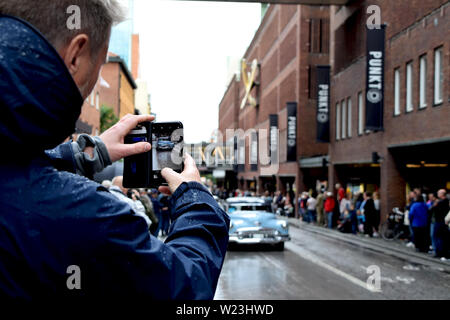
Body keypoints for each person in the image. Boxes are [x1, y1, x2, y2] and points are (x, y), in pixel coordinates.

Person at [0, 1, 229, 299]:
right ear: (76, 54)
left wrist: (87, 153)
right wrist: (195, 199)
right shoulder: (89, 216)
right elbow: (186, 286)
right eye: (100, 63)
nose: (94, 84)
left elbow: (16, 166)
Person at [430, 189, 450, 259]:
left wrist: (434, 205)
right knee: (442, 238)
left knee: (437, 237)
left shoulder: (440, 202)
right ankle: (441, 252)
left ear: (442, 194)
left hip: (439, 222)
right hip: (444, 222)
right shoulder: (447, 201)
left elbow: (432, 210)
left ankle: (438, 252)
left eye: (439, 193)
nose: (437, 194)